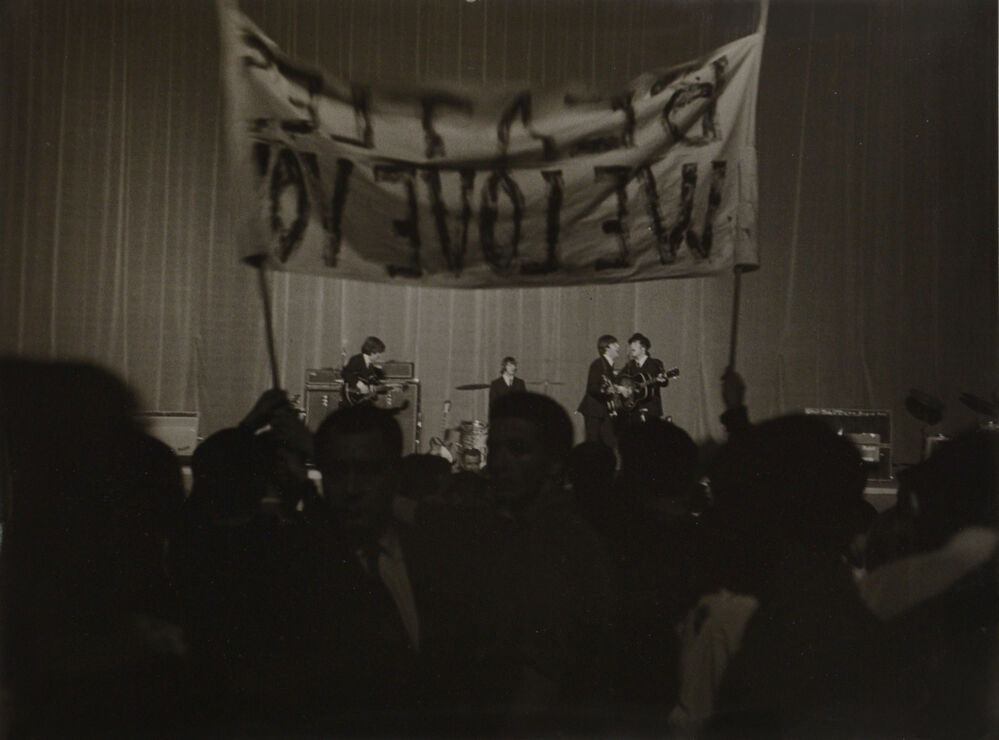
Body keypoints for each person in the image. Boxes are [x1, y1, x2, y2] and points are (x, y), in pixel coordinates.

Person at [577, 334, 621, 448]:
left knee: (607, 444)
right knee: (594, 445)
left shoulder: (608, 366)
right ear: (606, 348)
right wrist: (607, 390)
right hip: (594, 411)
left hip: (602, 411)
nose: (618, 346)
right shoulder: (597, 364)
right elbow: (592, 388)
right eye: (615, 344)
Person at [620, 332, 667, 423]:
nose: (631, 346)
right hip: (633, 409)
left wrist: (662, 379)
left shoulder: (655, 363)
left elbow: (664, 383)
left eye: (635, 343)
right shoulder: (630, 365)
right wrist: (625, 389)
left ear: (643, 348)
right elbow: (619, 379)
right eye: (631, 343)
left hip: (651, 409)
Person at [340, 336, 386, 406]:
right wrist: (358, 384)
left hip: (362, 401)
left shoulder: (370, 365)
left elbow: (370, 382)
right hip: (351, 399)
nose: (379, 356)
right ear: (372, 351)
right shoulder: (357, 359)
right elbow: (345, 373)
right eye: (378, 353)